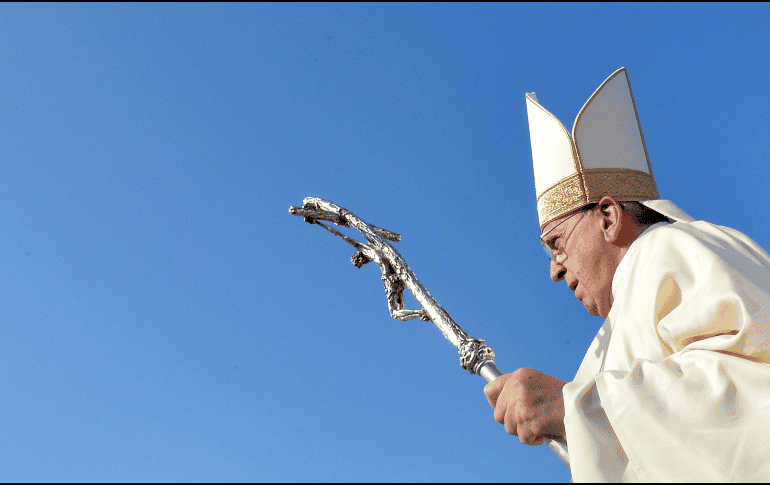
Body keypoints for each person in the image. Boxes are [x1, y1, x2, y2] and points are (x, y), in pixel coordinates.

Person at [484, 67, 770, 482]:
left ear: (607, 216)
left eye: (556, 242)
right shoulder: (605, 344)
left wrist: (572, 408)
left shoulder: (671, 249)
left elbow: (748, 401)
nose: (553, 270)